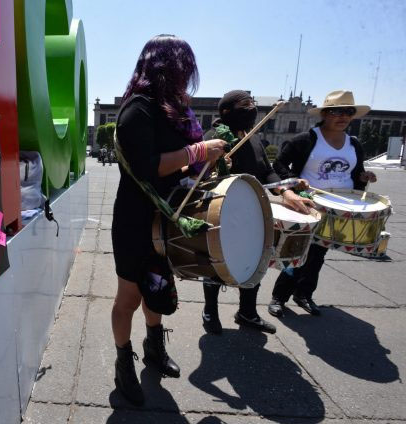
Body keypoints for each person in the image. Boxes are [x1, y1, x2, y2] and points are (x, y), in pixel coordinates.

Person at [111, 34, 226, 406]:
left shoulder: (169, 110)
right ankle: (123, 363)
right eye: (183, 68)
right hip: (134, 219)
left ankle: (154, 347)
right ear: (165, 67)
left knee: (157, 287)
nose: (186, 76)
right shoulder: (137, 109)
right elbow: (148, 167)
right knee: (129, 296)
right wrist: (198, 150)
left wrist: (206, 163)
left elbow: (180, 166)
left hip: (166, 215)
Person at [200, 90, 314, 335]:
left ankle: (247, 312)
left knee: (254, 260)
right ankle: (210, 310)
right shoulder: (213, 137)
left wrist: (286, 191)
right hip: (221, 213)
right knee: (216, 262)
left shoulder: (252, 138)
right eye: (245, 104)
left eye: (252, 103)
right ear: (226, 111)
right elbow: (202, 175)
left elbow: (267, 171)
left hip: (253, 211)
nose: (251, 108)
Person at [268, 90, 377, 317]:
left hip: (337, 207)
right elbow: (279, 165)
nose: (343, 116)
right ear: (325, 114)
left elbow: (356, 172)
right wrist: (293, 184)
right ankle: (279, 297)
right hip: (308, 205)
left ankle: (304, 294)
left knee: (318, 256)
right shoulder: (306, 140)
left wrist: (364, 177)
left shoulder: (354, 144)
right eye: (336, 111)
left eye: (348, 112)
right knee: (296, 251)